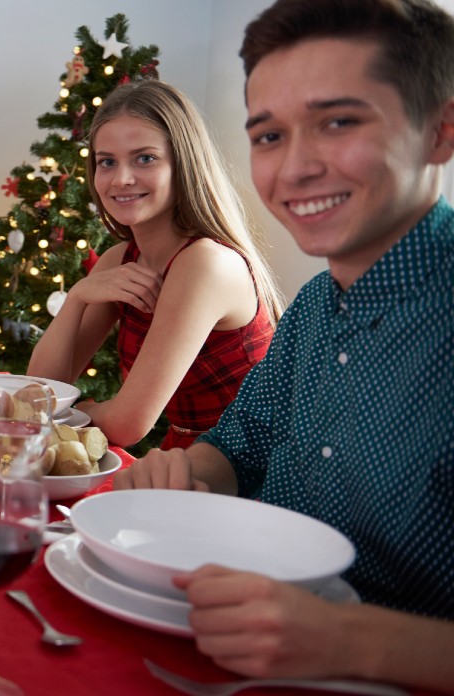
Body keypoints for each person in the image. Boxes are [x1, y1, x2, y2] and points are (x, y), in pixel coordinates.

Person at [116, 0, 454, 690]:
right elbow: (235, 447)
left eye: (338, 122)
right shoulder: (313, 307)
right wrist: (182, 475)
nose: (293, 168)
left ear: (440, 132)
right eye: (268, 136)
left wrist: (346, 640)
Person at [27, 79, 283, 449]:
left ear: (184, 165)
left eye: (145, 158)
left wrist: (75, 410)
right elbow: (39, 392)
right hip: (190, 456)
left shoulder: (206, 263)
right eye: (107, 162)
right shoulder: (120, 259)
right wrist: (78, 297)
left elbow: (128, 424)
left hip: (249, 471)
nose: (121, 179)